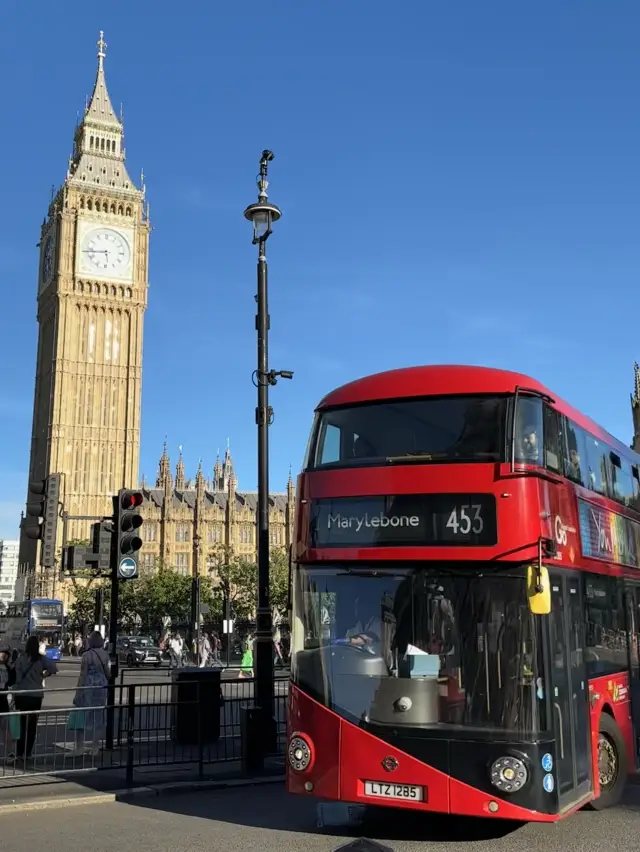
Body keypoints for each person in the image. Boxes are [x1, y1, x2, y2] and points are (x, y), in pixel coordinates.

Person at [10, 636, 57, 761]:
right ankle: (28, 753)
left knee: (22, 725)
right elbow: (54, 668)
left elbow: (17, 678)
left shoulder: (21, 659)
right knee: (32, 726)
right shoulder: (41, 659)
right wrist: (44, 675)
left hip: (22, 694)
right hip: (36, 695)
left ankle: (19, 753)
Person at [72, 631, 110, 755]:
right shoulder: (105, 655)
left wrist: (77, 693)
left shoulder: (86, 655)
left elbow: (83, 675)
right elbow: (108, 673)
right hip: (101, 687)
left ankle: (79, 746)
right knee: (98, 717)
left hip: (88, 687)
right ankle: (95, 747)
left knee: (81, 715)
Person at [0, 646, 15, 746]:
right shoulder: (8, 668)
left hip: (3, 699)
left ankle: (10, 754)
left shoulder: (9, 668)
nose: (3, 655)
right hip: (3, 699)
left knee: (5, 727)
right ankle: (10, 754)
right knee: (5, 728)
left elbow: (11, 682)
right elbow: (11, 682)